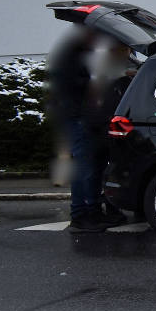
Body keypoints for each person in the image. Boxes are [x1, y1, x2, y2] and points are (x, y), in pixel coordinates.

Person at [46, 26, 127, 232]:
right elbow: (75, 87)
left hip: (80, 117)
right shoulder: (72, 57)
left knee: (89, 167)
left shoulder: (75, 55)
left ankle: (90, 211)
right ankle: (83, 214)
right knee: (85, 168)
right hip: (78, 117)